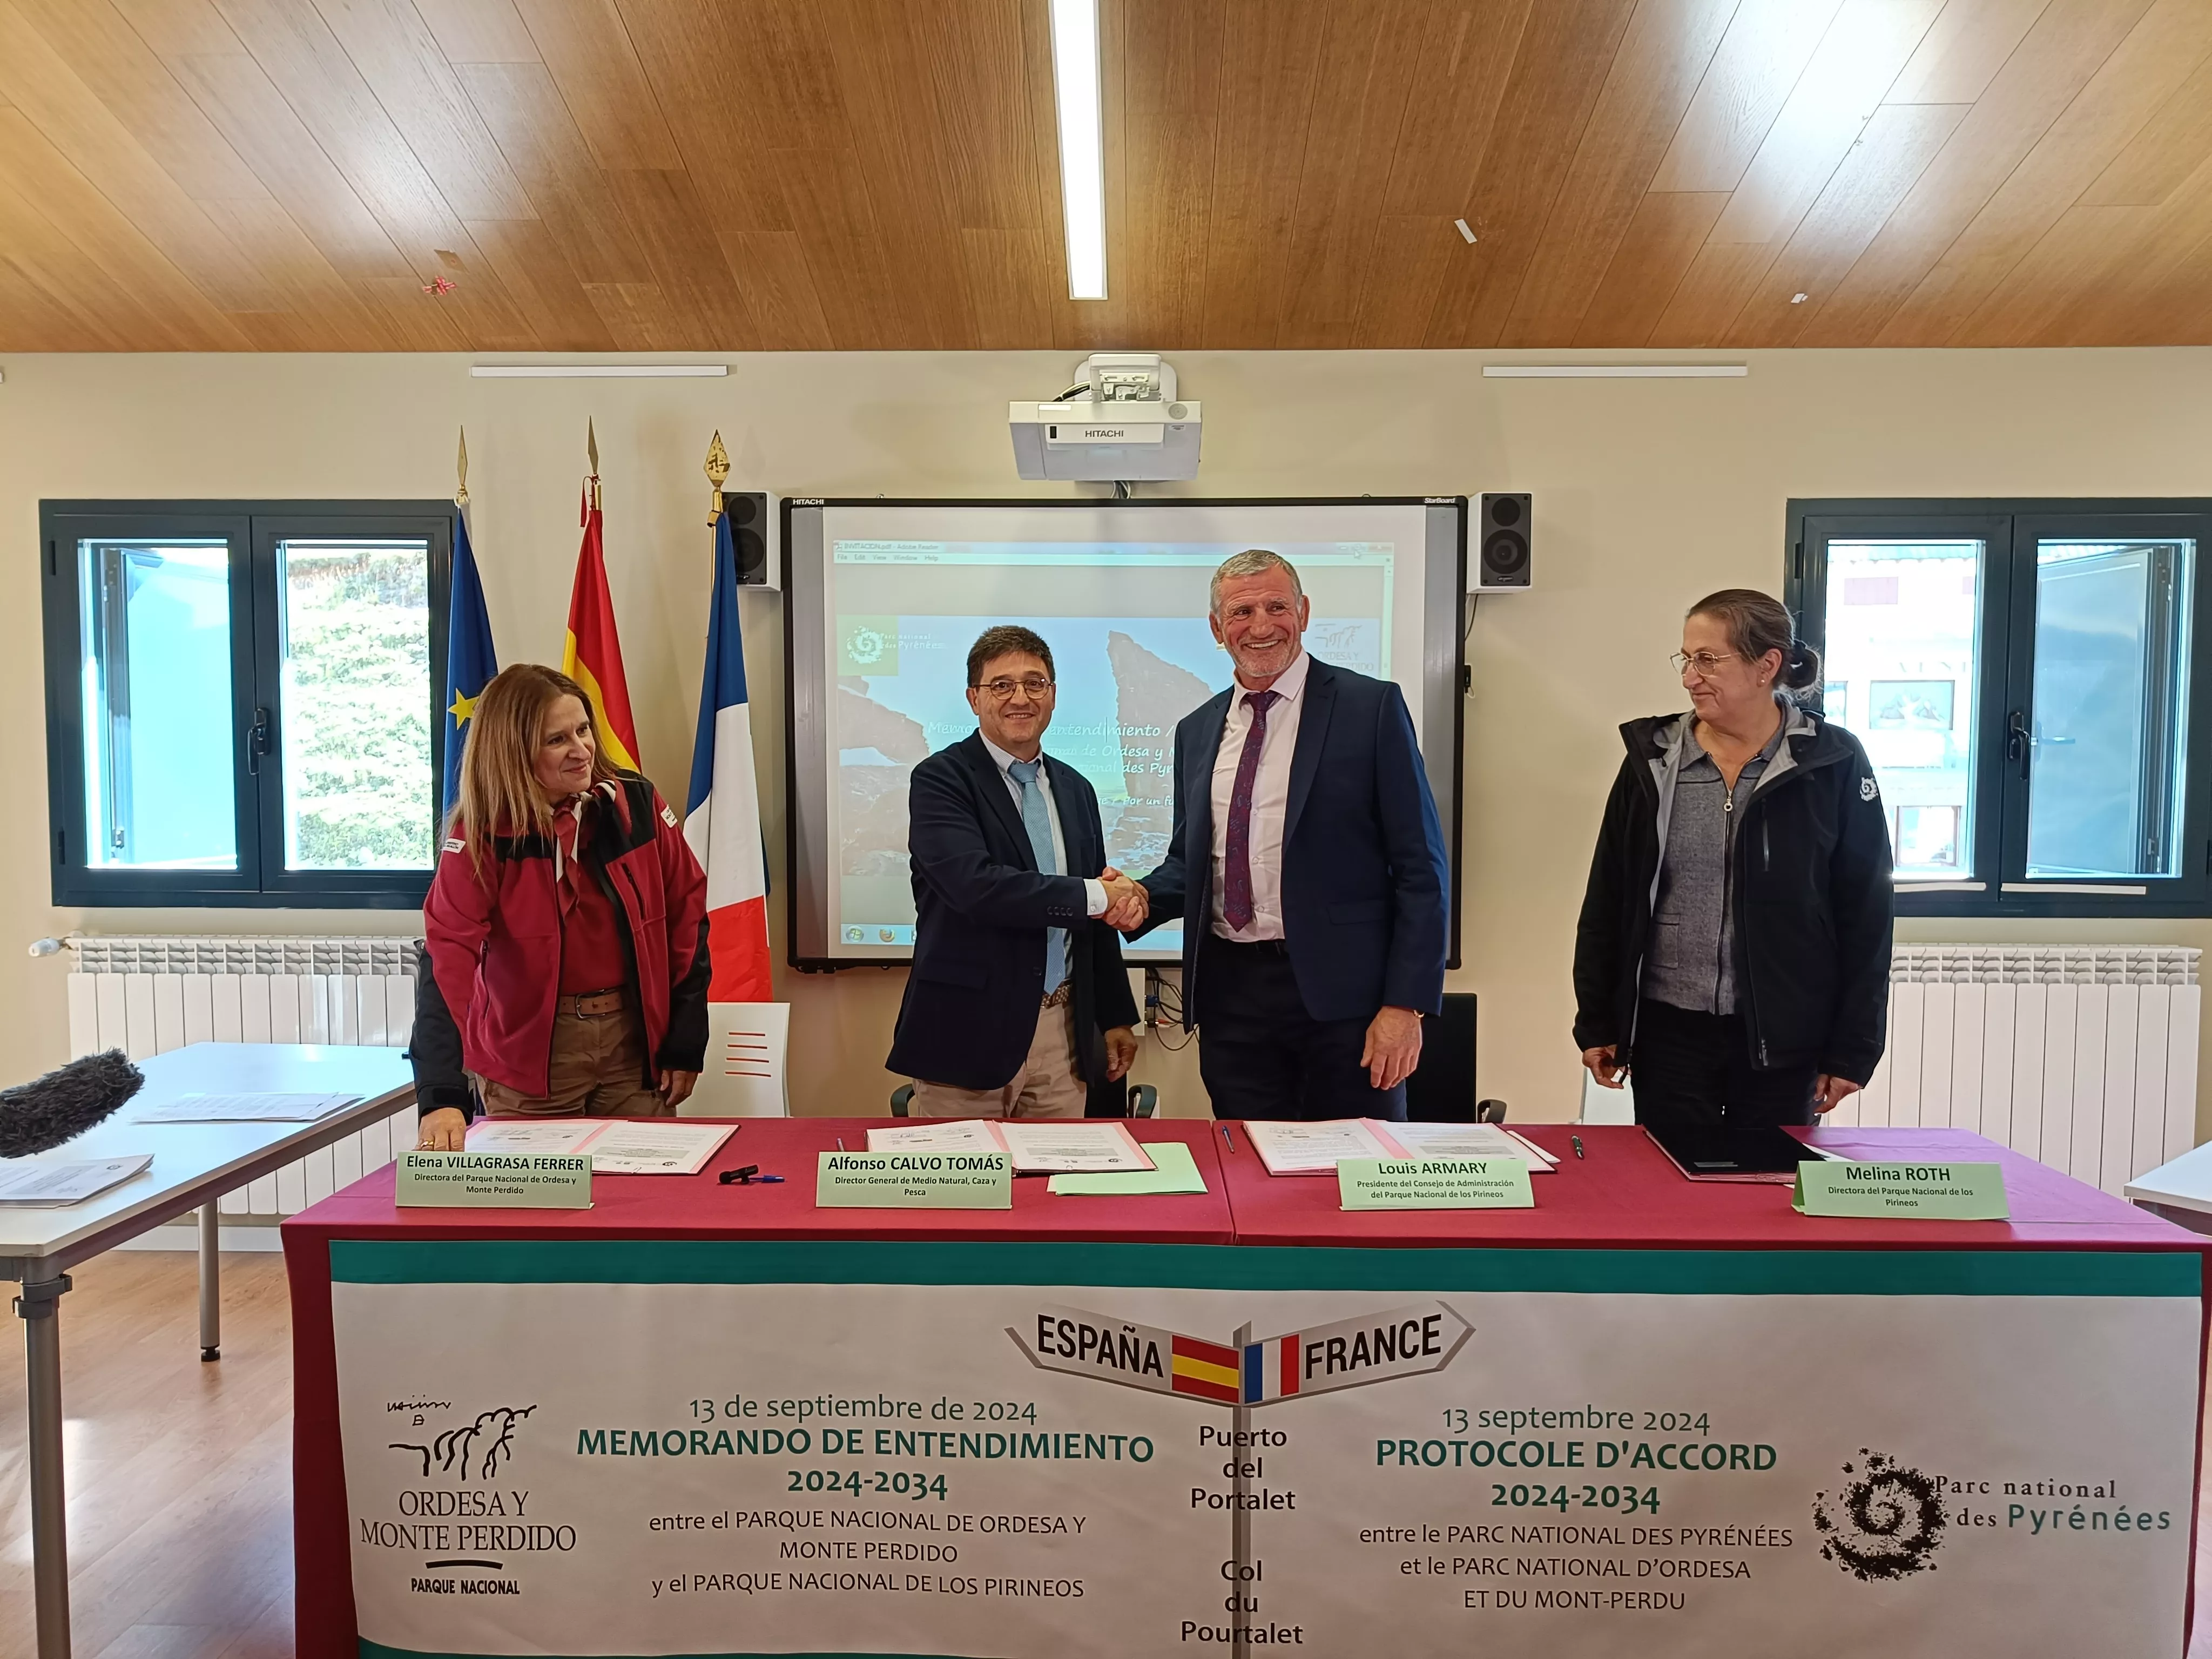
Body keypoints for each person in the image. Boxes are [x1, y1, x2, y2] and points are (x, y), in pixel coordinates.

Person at [1131, 550, 1449, 1120]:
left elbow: (1421, 868)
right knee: (1249, 1180)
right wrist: (1132, 900)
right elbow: (1191, 865)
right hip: (1233, 1003)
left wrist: (1405, 1006)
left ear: (1303, 613)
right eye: (1241, 611)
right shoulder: (1197, 730)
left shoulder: (1369, 708)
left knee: (1356, 1179)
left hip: (1348, 1002)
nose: (1259, 625)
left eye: (1276, 606)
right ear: (1215, 628)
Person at [1573, 588, 1892, 1125]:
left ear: (1766, 665)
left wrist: (1853, 1048)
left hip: (1785, 1038)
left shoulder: (1832, 761)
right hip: (1667, 1035)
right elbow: (1607, 899)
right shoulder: (1652, 761)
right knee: (1672, 1196)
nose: (1688, 677)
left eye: (1707, 660)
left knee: (1767, 1197)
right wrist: (1598, 1023)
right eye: (1686, 659)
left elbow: (1865, 913)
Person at [412, 664, 710, 1150]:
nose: (582, 750)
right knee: (541, 1216)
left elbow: (688, 917)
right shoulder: (484, 836)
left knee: (639, 1203)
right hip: (530, 1058)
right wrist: (441, 1092)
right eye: (557, 740)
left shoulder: (636, 805)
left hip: (633, 1047)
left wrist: (685, 1037)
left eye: (584, 729)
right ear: (515, 751)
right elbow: (446, 959)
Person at [887, 625, 1145, 1117]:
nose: (1019, 698)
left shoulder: (1077, 790)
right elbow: (976, 888)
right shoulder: (941, 780)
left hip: (1064, 1034)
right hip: (967, 1034)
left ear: (1052, 695)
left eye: (1035, 683)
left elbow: (1094, 918)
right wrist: (1100, 896)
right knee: (963, 1191)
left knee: (1057, 1187)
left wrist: (1113, 1016)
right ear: (973, 698)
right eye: (1001, 685)